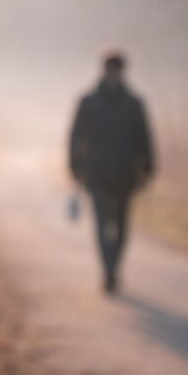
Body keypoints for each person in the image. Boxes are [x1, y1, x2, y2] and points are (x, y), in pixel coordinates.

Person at [69, 51, 155, 293]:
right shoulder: (88, 101)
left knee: (121, 225)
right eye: (110, 69)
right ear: (104, 70)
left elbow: (144, 138)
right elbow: (76, 136)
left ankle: (114, 267)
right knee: (101, 222)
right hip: (96, 173)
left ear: (122, 72)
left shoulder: (134, 103)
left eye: (117, 69)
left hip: (126, 175)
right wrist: (75, 166)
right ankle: (108, 271)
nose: (113, 74)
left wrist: (148, 167)